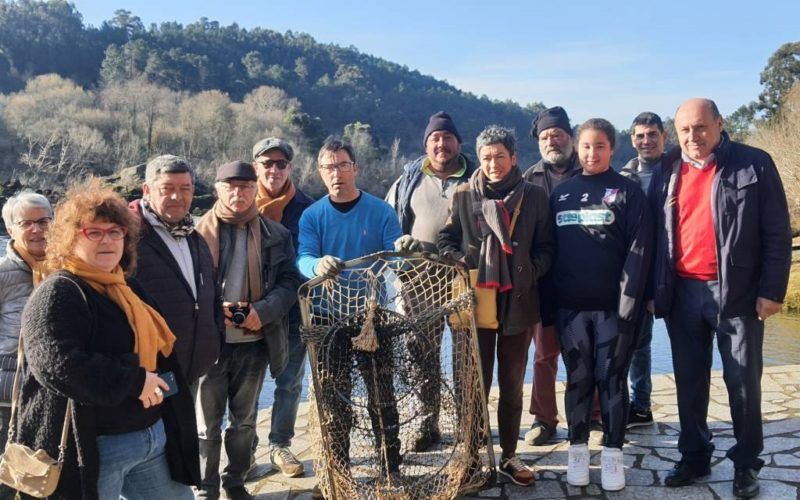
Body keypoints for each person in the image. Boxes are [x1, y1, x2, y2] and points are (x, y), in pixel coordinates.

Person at [14, 179, 199, 499]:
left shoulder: (128, 287)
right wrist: (133, 381)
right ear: (71, 239)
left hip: (152, 438)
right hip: (96, 447)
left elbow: (160, 351)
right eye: (94, 232)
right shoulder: (59, 291)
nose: (107, 240)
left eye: (115, 232)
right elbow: (57, 364)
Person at [652, 98, 791, 498]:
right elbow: (658, 234)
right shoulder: (667, 169)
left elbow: (777, 232)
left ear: (719, 124)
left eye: (700, 127)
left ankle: (746, 463)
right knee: (689, 383)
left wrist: (771, 291)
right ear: (675, 133)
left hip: (739, 296)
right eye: (684, 130)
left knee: (743, 384)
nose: (693, 136)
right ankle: (695, 455)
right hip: (683, 293)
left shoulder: (754, 164)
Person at [438, 125, 553, 487]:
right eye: (486, 157)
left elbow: (548, 248)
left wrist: (526, 273)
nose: (493, 164)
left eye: (500, 156)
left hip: (518, 303)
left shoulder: (534, 196)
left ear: (514, 158)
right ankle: (471, 456)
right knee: (474, 384)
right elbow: (445, 238)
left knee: (512, 384)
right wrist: (463, 264)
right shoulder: (462, 195)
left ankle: (509, 455)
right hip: (476, 303)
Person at [297, 138, 408, 490]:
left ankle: (391, 468)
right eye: (329, 167)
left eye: (343, 165)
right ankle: (339, 471)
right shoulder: (312, 215)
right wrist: (318, 264)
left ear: (355, 168)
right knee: (335, 399)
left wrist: (404, 249)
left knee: (382, 397)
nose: (336, 173)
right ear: (320, 172)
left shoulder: (380, 211)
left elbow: (397, 256)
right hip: (328, 319)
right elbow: (302, 258)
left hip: (373, 318)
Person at [551, 118, 652, 491]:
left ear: (613, 149)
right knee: (578, 380)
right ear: (577, 148)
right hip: (570, 310)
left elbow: (640, 252)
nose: (592, 153)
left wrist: (629, 306)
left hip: (614, 310)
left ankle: (612, 453)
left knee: (611, 381)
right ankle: (577, 449)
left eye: (600, 146)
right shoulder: (561, 193)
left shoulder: (628, 192)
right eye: (586, 146)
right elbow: (550, 249)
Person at [194, 160, 302, 500]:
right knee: (205, 428)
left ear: (255, 189)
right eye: (230, 186)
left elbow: (289, 283)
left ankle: (236, 482)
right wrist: (223, 313)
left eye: (245, 186)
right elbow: (186, 290)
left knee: (243, 424)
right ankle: (206, 488)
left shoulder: (276, 234)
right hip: (209, 344)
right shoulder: (195, 235)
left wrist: (263, 311)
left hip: (254, 343)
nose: (238, 193)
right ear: (217, 190)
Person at [385, 111, 476, 451]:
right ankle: (427, 422)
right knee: (421, 353)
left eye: (447, 138)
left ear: (458, 143)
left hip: (463, 281)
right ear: (426, 144)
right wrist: (398, 253)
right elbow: (389, 225)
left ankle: (471, 421)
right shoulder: (407, 179)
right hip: (417, 283)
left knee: (468, 354)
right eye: (435, 138)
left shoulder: (476, 177)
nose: (441, 144)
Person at [249, 137, 314, 479]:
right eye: (267, 163)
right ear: (255, 166)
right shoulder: (237, 203)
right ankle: (244, 453)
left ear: (290, 167)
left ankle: (280, 445)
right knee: (249, 383)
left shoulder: (308, 207)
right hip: (249, 312)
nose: (274, 169)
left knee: (289, 382)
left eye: (281, 164)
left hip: (293, 309)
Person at [130, 155, 223, 387]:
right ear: (146, 190)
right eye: (167, 188)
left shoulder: (194, 237)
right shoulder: (128, 237)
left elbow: (209, 298)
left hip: (191, 365)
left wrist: (215, 342)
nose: (177, 196)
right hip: (150, 370)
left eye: (185, 189)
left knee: (184, 423)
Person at [520, 106, 583, 447]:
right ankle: (544, 420)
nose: (552, 141)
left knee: (584, 352)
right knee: (544, 355)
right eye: (545, 136)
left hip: (585, 280)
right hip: (542, 282)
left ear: (570, 138)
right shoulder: (528, 178)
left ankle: (591, 415)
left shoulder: (590, 171)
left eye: (557, 134)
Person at [0, 191, 52, 500]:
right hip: (7, 390)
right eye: (27, 223)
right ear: (10, 229)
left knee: (43, 474)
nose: (37, 230)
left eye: (44, 221)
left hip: (51, 387)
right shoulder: (3, 274)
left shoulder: (66, 268)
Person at [620, 112, 668, 430]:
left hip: (674, 266)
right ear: (632, 139)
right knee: (637, 343)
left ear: (664, 136)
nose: (646, 140)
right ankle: (639, 405)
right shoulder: (624, 176)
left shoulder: (680, 171)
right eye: (640, 135)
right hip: (637, 269)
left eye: (652, 134)